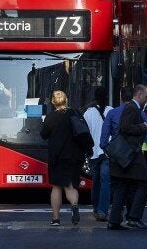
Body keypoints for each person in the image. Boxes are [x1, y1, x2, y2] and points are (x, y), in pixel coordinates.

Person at [104, 85, 147, 230]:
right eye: (146, 96)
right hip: (130, 153)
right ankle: (134, 217)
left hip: (123, 155)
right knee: (144, 182)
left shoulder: (131, 107)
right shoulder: (132, 108)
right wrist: (143, 127)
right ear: (138, 94)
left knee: (122, 186)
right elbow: (126, 127)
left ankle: (114, 221)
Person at [40, 90, 82, 226]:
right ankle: (74, 205)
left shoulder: (51, 117)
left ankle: (56, 219)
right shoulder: (75, 113)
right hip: (73, 156)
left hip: (56, 156)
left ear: (53, 102)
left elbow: (44, 134)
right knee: (70, 186)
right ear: (66, 100)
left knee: (57, 187)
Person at [83, 87, 113, 221]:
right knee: (106, 181)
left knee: (96, 181)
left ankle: (95, 208)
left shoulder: (88, 113)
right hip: (107, 152)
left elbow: (85, 133)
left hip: (93, 152)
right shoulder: (111, 111)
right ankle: (102, 210)